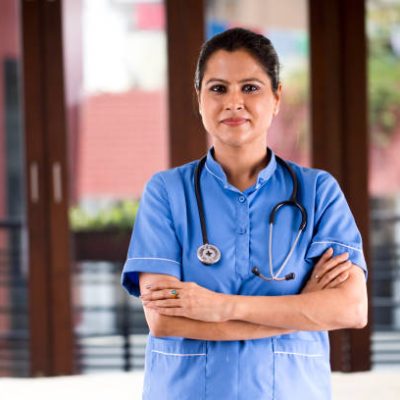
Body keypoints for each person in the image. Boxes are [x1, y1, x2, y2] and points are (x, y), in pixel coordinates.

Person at [121, 27, 368, 400]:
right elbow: (163, 318)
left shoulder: (318, 192)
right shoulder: (167, 192)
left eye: (250, 87)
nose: (233, 102)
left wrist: (219, 307)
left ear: (276, 97)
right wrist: (300, 310)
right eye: (218, 88)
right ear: (199, 99)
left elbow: (350, 308)